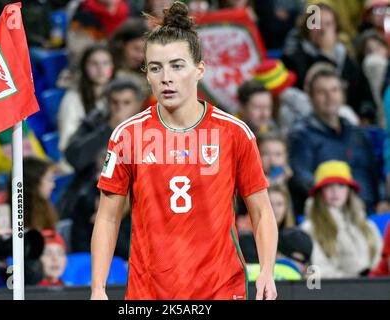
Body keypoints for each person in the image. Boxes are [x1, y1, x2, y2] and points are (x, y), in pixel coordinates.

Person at [90, 1, 278, 300]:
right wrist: (98, 288)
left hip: (220, 288)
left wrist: (267, 269)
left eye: (177, 66)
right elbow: (108, 218)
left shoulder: (234, 133)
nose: (166, 77)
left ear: (199, 69)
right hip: (149, 292)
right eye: (156, 68)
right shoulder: (127, 135)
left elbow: (261, 210)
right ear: (147, 75)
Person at [62, 77, 143, 253]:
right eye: (114, 102)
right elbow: (74, 157)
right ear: (106, 102)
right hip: (89, 196)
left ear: (137, 105)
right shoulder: (93, 124)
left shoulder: (149, 127)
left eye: (126, 103)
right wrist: (108, 129)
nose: (119, 108)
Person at [288, 65, 381, 214]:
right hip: (330, 215)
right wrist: (340, 200)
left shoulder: (357, 133)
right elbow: (303, 179)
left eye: (334, 90)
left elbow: (373, 172)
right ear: (310, 97)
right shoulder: (301, 136)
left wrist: (382, 200)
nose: (330, 96)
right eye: (321, 92)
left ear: (342, 94)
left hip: (370, 212)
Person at [301, 160, 383, 278]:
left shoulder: (368, 226)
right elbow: (317, 271)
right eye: (329, 186)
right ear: (319, 192)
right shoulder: (310, 228)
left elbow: (380, 262)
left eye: (341, 185)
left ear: (349, 191)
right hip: (336, 292)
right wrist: (357, 280)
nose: (335, 191)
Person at [58, 43, 114, 152]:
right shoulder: (72, 99)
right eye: (94, 64)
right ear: (84, 67)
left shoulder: (118, 97)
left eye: (106, 63)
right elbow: (67, 144)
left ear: (112, 66)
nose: (100, 69)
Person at [0, 157, 59, 232]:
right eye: (49, 180)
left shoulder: (43, 204)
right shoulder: (2, 206)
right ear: (34, 182)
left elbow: (54, 237)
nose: (53, 185)